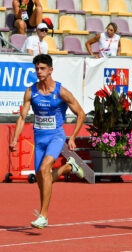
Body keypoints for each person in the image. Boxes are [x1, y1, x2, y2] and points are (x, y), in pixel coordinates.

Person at [9, 54, 86, 229]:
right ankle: (68, 167)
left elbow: (81, 114)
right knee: (42, 179)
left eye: (42, 68)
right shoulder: (31, 91)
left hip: (56, 136)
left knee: (45, 169)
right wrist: (14, 139)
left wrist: (72, 137)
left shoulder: (61, 92)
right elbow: (22, 117)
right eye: (36, 68)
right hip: (39, 138)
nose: (39, 71)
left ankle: (43, 215)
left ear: (51, 70)